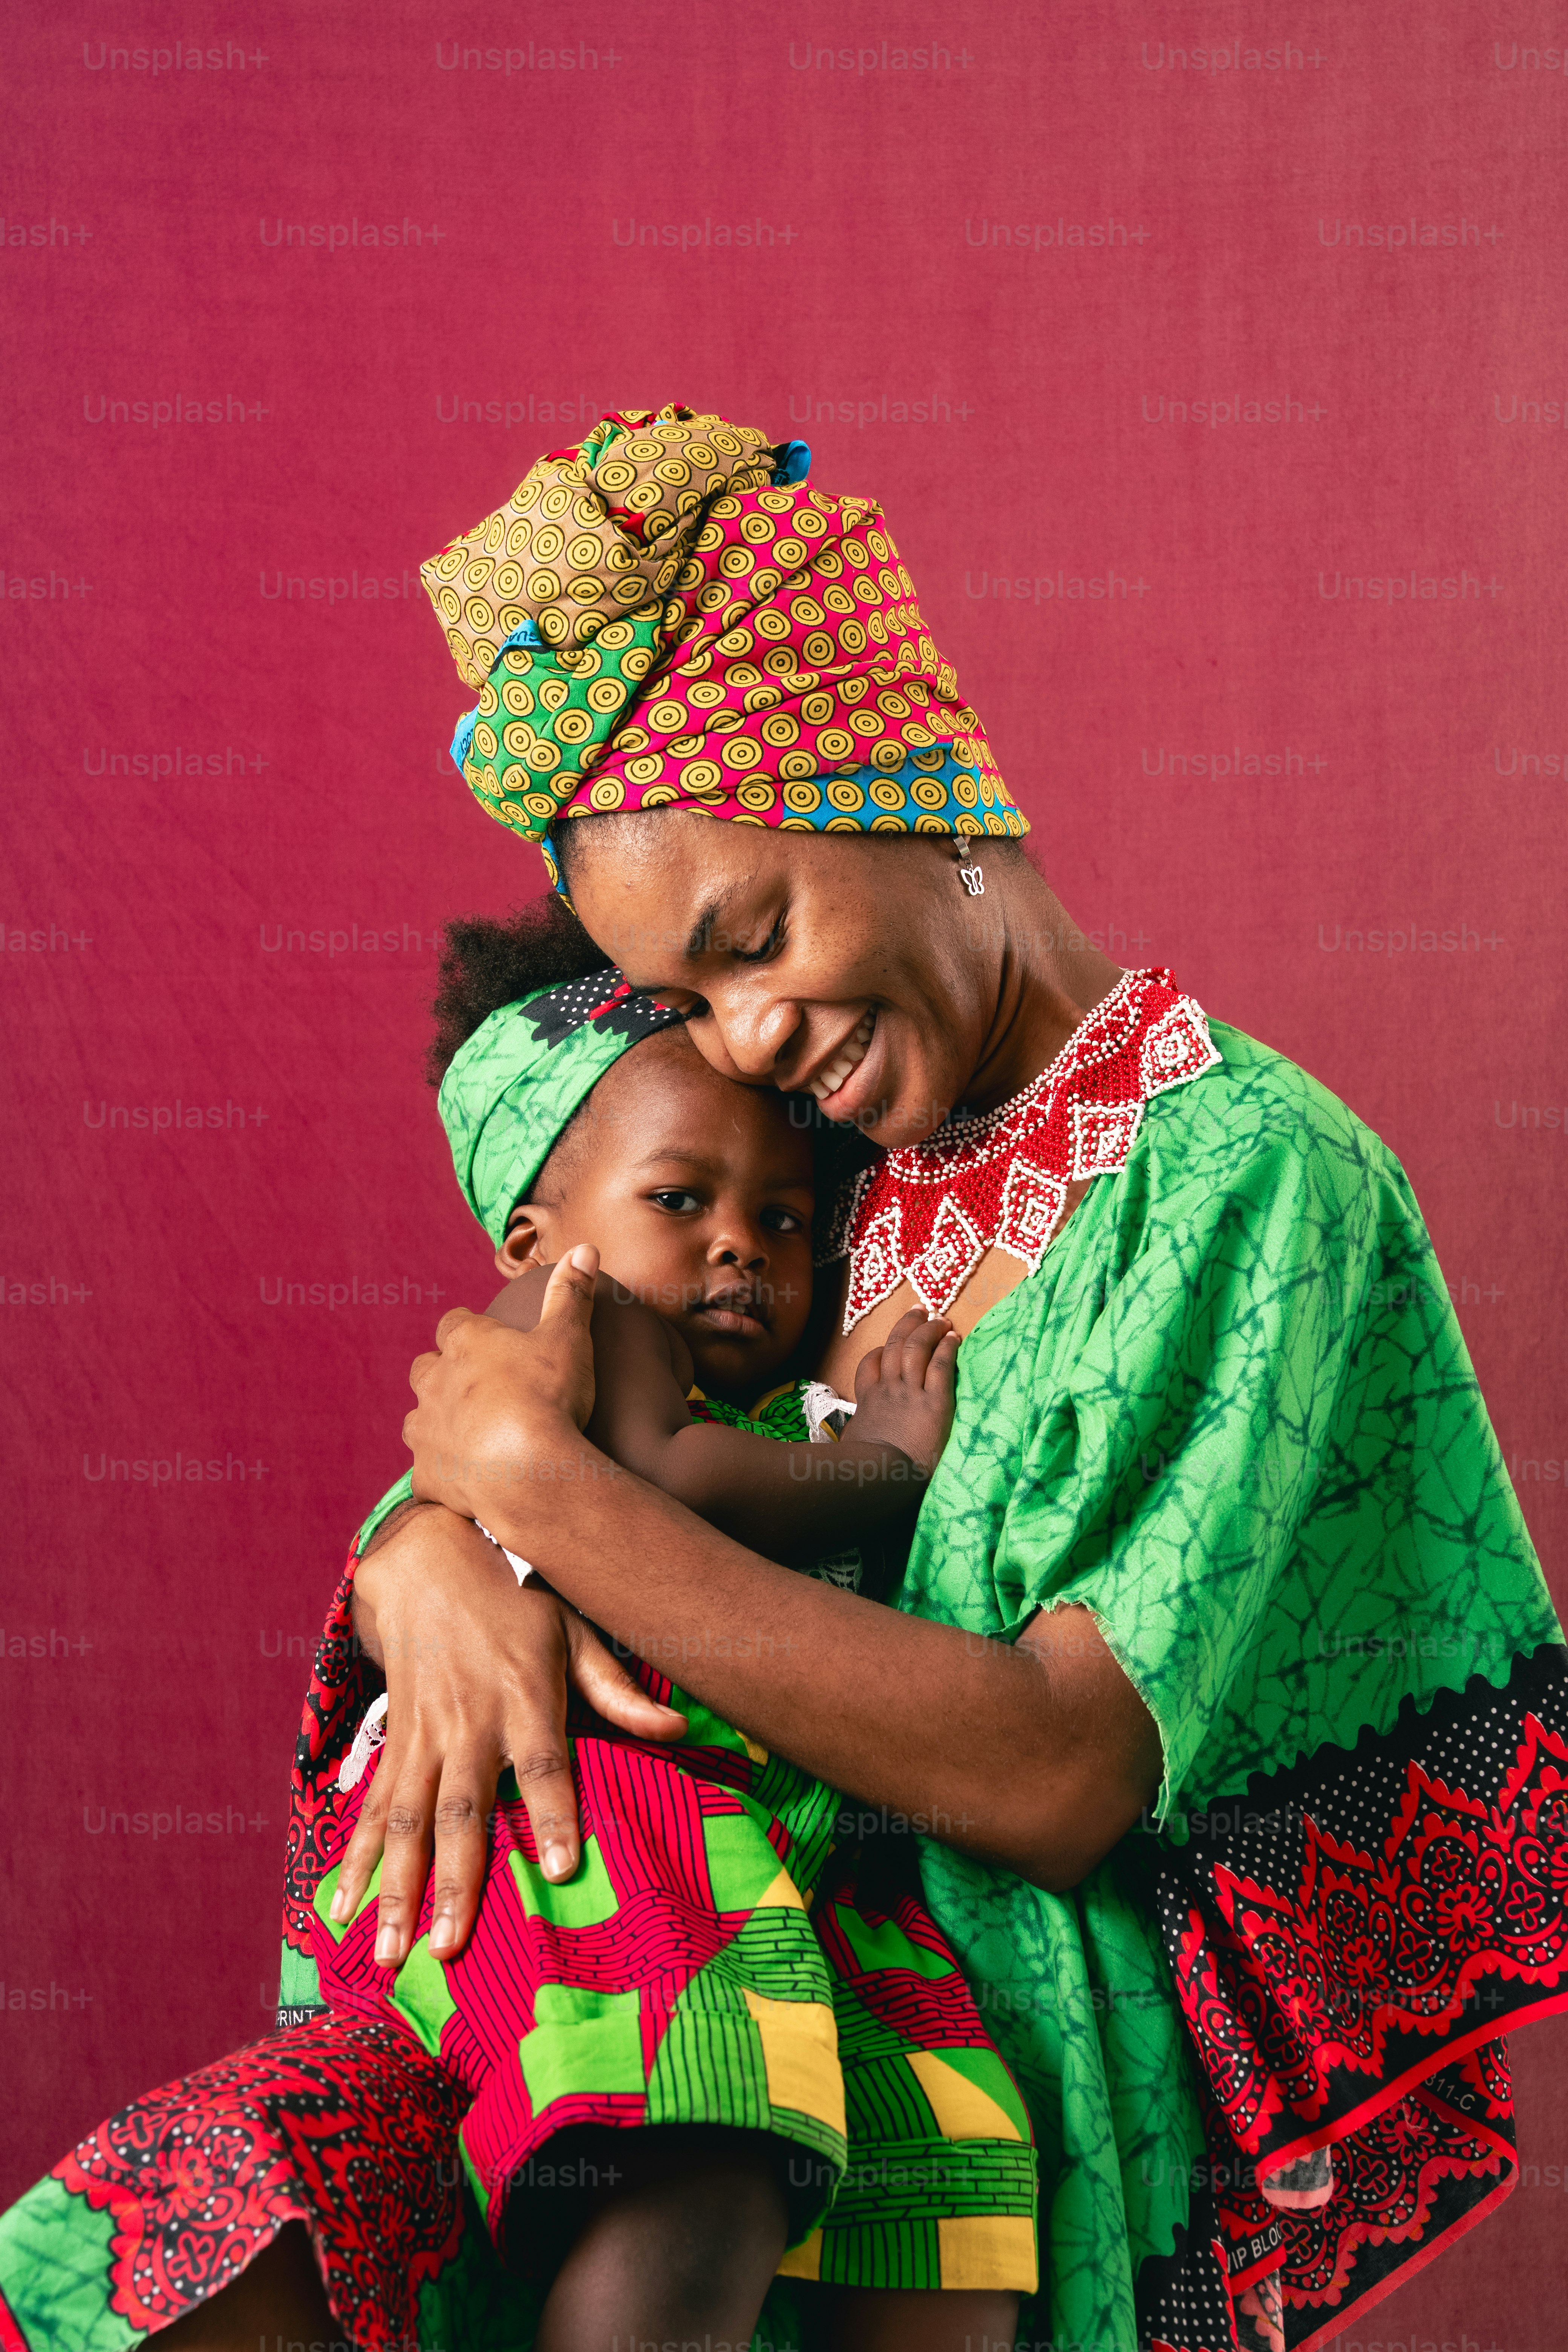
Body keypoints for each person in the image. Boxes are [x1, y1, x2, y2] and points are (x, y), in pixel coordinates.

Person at [3, 404, 1564, 2352]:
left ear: (918, 784)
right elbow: (605, 1403)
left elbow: (1062, 1766)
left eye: (754, 939)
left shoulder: (1256, 1179)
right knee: (191, 2256)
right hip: (664, 2016)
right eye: (696, 996)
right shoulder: (838, 1181)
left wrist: (550, 1510)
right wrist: (434, 1554)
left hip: (984, 2151)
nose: (746, 1036)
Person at [310, 921, 1040, 2352]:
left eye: (783, 1218)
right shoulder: (581, 1320)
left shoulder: (749, 1383)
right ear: (540, 1231)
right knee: (695, 2167)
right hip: (582, 1823)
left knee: (950, 2174)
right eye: (679, 1196)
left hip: (767, 1848)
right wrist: (887, 1467)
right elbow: (666, 1476)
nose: (738, 1247)